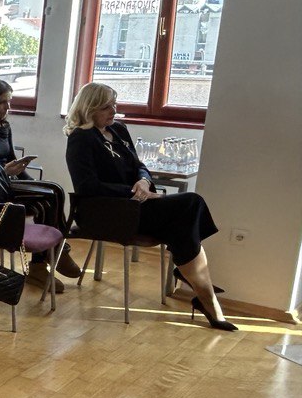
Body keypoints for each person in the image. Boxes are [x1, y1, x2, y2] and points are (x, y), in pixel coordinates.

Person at [65, 83, 231, 329]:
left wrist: (143, 181)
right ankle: (200, 290)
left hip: (136, 205)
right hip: (107, 211)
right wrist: (133, 191)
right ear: (90, 108)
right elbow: (86, 186)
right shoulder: (81, 138)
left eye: (114, 104)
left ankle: (203, 294)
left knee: (184, 218)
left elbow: (139, 165)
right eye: (107, 106)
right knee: (190, 204)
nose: (114, 110)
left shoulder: (118, 130)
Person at [0, 78, 79, 290]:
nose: (7, 107)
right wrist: (3, 171)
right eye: (2, 102)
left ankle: (50, 255)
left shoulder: (4, 126)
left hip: (7, 179)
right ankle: (49, 257)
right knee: (45, 201)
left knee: (52, 192)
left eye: (9, 101)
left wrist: (33, 183)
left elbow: (11, 158)